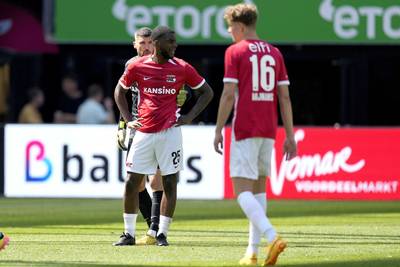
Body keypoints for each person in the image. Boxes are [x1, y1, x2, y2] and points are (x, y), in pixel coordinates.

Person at [113, 25, 213, 246]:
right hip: (142, 131)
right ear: (159, 44)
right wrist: (127, 120)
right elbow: (119, 92)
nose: (175, 45)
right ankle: (128, 233)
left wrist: (188, 117)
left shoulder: (182, 67)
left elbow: (207, 92)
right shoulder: (136, 66)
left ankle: (161, 233)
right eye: (171, 41)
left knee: (168, 182)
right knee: (132, 182)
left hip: (170, 132)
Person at [213, 4, 297, 266]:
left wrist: (218, 128)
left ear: (240, 26)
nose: (229, 32)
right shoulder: (275, 52)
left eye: (230, 27)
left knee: (240, 190)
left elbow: (228, 94)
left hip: (245, 127)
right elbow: (284, 97)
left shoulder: (235, 51)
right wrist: (290, 136)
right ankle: (252, 252)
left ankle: (272, 236)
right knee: (259, 190)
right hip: (268, 128)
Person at [116, 27, 186, 246]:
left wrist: (185, 97)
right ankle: (149, 227)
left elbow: (185, 88)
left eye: (149, 43)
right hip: (138, 126)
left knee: (158, 180)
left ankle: (155, 230)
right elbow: (123, 94)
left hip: (162, 126)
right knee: (136, 184)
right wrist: (122, 124)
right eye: (141, 43)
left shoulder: (168, 63)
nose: (146, 47)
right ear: (135, 44)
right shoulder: (132, 65)